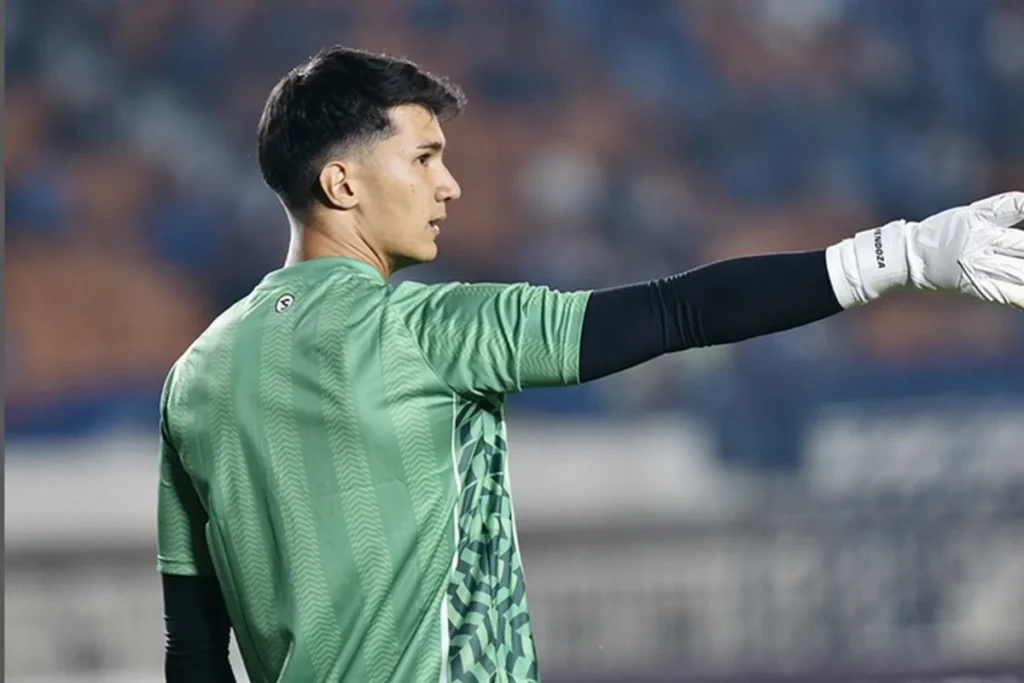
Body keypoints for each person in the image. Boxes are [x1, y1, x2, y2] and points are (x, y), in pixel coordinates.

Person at [157, 46, 1024, 683]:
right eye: (423, 158)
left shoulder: (195, 377)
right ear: (343, 183)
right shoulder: (429, 330)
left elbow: (194, 648)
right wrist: (898, 255)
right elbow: (681, 311)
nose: (449, 185)